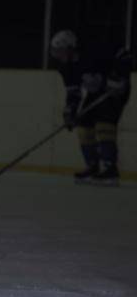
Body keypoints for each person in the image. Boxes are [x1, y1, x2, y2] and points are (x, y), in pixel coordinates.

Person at [50, 28, 132, 184]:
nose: (58, 55)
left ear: (71, 48)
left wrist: (119, 75)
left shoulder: (94, 51)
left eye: (60, 51)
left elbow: (123, 54)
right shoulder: (66, 68)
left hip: (115, 90)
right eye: (56, 52)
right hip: (97, 93)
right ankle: (92, 166)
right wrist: (70, 111)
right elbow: (74, 92)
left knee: (104, 123)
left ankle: (110, 169)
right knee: (83, 123)